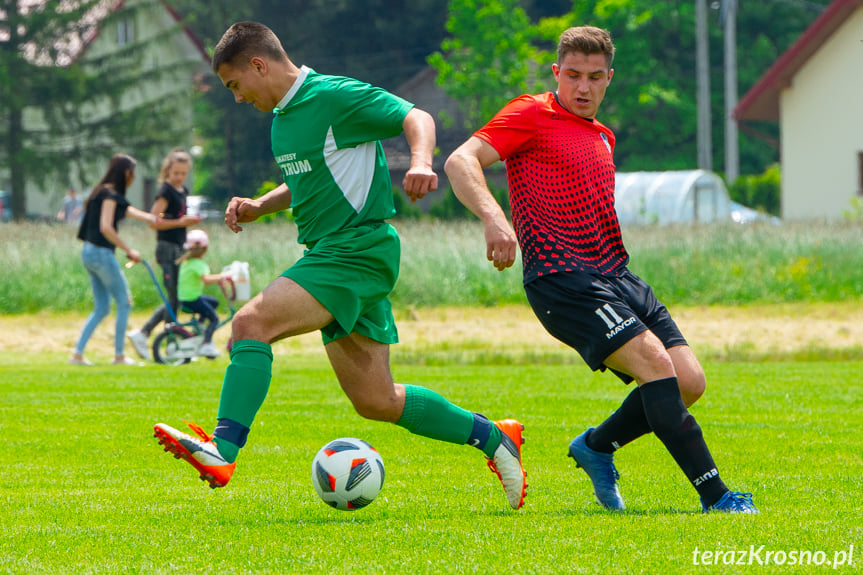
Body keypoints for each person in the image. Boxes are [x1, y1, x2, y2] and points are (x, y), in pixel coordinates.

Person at [151, 21, 527, 510]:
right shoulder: (283, 121)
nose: (238, 98)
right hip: (337, 255)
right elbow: (311, 177)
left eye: (235, 85)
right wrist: (259, 206)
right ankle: (494, 436)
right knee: (376, 400)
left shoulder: (335, 96)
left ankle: (222, 451)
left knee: (250, 323)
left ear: (258, 65)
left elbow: (417, 116)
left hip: (355, 249)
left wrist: (419, 161)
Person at [444, 26, 757, 514]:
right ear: (556, 73)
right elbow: (461, 160)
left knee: (688, 382)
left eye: (594, 77)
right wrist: (494, 219)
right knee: (656, 366)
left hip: (617, 274)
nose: (583, 87)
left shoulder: (603, 137)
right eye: (572, 76)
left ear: (609, 78)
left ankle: (595, 446)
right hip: (562, 278)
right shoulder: (531, 113)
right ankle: (718, 498)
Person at [70, 153, 159, 366]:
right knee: (124, 301)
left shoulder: (101, 192)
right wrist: (130, 250)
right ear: (127, 173)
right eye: (133, 173)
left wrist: (150, 217)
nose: (133, 178)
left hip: (89, 253)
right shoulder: (110, 194)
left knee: (102, 308)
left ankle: (77, 354)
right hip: (101, 253)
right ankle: (119, 356)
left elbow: (127, 210)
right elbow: (106, 227)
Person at [126, 149, 203, 360]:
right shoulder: (165, 192)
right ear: (167, 171)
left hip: (179, 248)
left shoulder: (182, 191)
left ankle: (148, 334)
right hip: (167, 247)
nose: (179, 177)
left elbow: (176, 217)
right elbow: (154, 221)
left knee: (175, 298)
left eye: (183, 173)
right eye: (176, 173)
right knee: (173, 297)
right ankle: (165, 339)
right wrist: (180, 222)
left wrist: (188, 221)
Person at [176, 229, 227, 358]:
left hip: (185, 298)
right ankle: (206, 344)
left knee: (214, 302)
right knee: (214, 319)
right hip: (192, 299)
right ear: (206, 249)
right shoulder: (199, 264)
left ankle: (199, 324)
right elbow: (206, 280)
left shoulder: (186, 261)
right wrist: (222, 277)